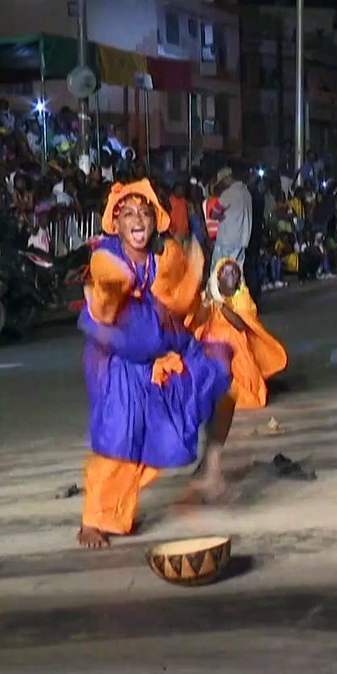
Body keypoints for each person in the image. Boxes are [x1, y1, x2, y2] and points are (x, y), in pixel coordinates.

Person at [76, 179, 231, 548]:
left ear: (154, 219)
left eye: (144, 212)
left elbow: (180, 299)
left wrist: (184, 285)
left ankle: (117, 510)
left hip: (154, 363)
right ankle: (93, 520)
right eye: (128, 213)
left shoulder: (162, 259)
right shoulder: (108, 256)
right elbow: (104, 291)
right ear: (115, 223)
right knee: (117, 442)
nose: (137, 219)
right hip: (118, 366)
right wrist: (119, 287)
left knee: (154, 436)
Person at [187, 257, 288, 411]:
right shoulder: (207, 295)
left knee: (251, 389)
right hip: (209, 343)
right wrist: (207, 301)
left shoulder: (242, 296)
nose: (231, 274)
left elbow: (241, 325)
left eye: (235, 271)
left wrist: (220, 303)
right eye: (226, 271)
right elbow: (197, 322)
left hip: (236, 345)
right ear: (218, 276)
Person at [209, 167, 252, 268]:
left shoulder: (228, 194)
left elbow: (213, 214)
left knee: (218, 271)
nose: (222, 186)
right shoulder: (246, 193)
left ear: (226, 179)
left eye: (222, 183)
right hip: (242, 241)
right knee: (236, 273)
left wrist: (219, 216)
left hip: (226, 241)